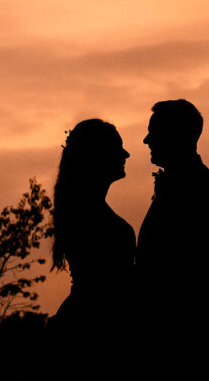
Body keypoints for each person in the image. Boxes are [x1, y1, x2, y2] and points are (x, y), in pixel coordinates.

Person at [135, 99, 209, 347]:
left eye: (154, 132)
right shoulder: (185, 180)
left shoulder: (192, 185)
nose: (146, 140)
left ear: (174, 135)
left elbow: (170, 264)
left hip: (182, 326)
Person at [49, 119, 135, 344]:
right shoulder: (87, 213)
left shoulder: (82, 208)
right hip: (92, 326)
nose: (126, 154)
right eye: (118, 148)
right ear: (98, 155)